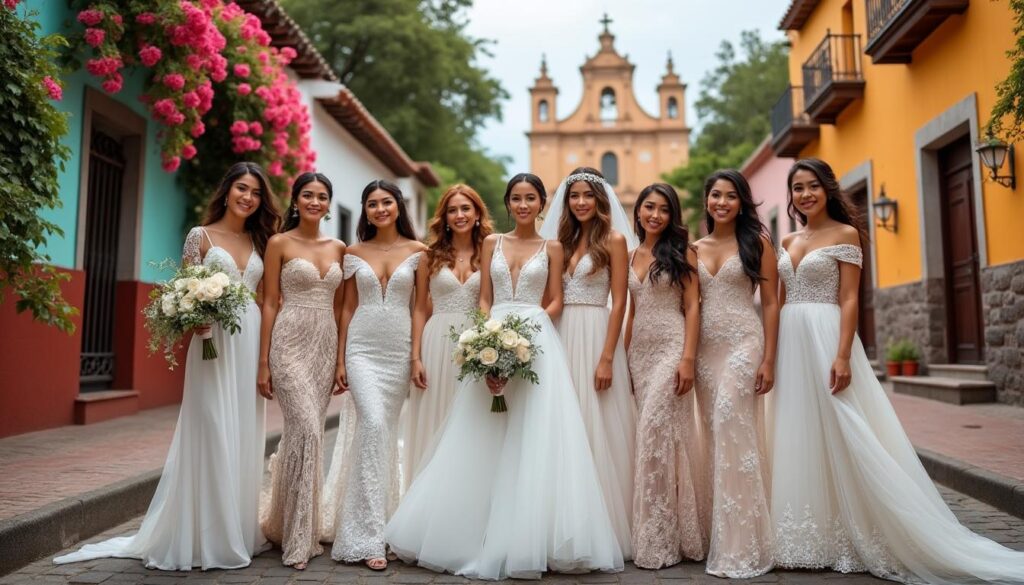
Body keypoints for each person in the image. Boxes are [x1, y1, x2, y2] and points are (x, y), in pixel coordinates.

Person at [770, 158, 1024, 584]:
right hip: (790, 344)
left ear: (827, 189)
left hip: (825, 337)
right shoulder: (788, 238)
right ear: (791, 195)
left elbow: (850, 298)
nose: (805, 194)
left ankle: (865, 526)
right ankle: (806, 536)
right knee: (799, 430)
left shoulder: (846, 233)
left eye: (813, 185)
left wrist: (843, 354)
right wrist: (769, 351)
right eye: (797, 188)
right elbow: (776, 300)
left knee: (845, 427)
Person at [385, 173, 624, 580]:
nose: (523, 205)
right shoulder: (491, 244)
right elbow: (484, 297)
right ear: (508, 203)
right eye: (516, 198)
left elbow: (555, 301)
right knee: (482, 433)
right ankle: (472, 529)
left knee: (531, 436)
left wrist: (522, 337)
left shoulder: (553, 247)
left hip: (537, 345)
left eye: (531, 198)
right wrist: (485, 340)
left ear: (542, 203)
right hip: (490, 338)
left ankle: (527, 533)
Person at [55, 162, 280, 570]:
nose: (248, 197)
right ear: (226, 190)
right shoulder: (202, 236)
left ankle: (238, 530)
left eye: (256, 192)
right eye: (242, 188)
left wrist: (266, 359)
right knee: (211, 425)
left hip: (249, 343)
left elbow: (267, 299)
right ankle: (203, 535)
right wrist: (193, 316)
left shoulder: (262, 240)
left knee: (245, 430)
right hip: (213, 340)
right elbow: (184, 288)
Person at [326, 180, 427, 570]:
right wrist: (340, 359)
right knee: (371, 426)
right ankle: (366, 536)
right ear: (365, 211)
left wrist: (416, 355)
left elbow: (420, 308)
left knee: (385, 435)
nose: (380, 209)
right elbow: (347, 308)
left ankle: (391, 523)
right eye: (372, 204)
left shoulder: (419, 252)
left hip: (399, 350)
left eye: (386, 202)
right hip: (362, 350)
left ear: (398, 207)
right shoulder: (353, 252)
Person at [538, 166, 637, 559]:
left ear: (600, 200)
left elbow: (620, 303)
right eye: (574, 196)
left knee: (597, 423)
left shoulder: (613, 241)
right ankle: (560, 522)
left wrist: (608, 357)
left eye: (587, 195)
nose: (580, 202)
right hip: (560, 335)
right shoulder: (558, 241)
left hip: (596, 332)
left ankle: (606, 526)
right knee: (562, 426)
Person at [258, 172, 345, 569]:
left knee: (299, 434)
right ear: (295, 200)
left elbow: (343, 308)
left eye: (322, 196)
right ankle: (298, 537)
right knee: (309, 429)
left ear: (329, 204)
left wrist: (341, 358)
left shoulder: (340, 247)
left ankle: (285, 521)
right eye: (307, 195)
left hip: (325, 345)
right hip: (289, 341)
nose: (314, 201)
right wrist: (264, 361)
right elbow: (270, 301)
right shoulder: (279, 243)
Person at [692, 169, 776, 578]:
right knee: (716, 435)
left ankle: (745, 544)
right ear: (706, 201)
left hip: (744, 342)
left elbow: (772, 304)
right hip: (706, 352)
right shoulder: (692, 249)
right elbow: (687, 307)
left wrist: (769, 358)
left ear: (742, 202)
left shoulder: (757, 244)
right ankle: (721, 535)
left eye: (730, 196)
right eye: (715, 195)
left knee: (730, 420)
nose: (722, 202)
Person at [626, 183, 706, 569]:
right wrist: (623, 358)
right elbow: (628, 312)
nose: (655, 215)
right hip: (639, 354)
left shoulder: (682, 253)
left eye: (663, 209)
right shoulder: (629, 255)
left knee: (654, 432)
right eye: (648, 207)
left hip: (672, 347)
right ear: (638, 211)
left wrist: (688, 358)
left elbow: (692, 306)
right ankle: (666, 530)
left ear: (672, 215)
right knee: (658, 439)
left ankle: (660, 538)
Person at [403, 184, 493, 490]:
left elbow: (486, 302)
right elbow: (418, 309)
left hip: (474, 345)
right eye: (452, 210)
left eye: (466, 208)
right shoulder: (429, 256)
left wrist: (486, 347)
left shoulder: (490, 253)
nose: (459, 215)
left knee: (472, 422)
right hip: (436, 342)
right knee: (435, 420)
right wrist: (415, 357)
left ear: (478, 213)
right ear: (444, 217)